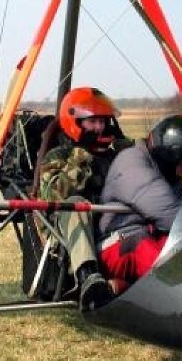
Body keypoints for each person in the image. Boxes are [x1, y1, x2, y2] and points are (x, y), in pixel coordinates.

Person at [37, 87, 132, 310]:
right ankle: (88, 276)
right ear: (76, 123)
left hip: (111, 226)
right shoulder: (58, 155)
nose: (99, 127)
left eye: (103, 121)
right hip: (68, 231)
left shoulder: (113, 155)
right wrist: (81, 155)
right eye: (93, 122)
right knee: (76, 203)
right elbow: (55, 195)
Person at [96, 114, 182, 284]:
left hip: (148, 235)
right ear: (168, 157)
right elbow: (172, 216)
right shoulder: (132, 162)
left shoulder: (166, 172)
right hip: (116, 243)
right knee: (145, 248)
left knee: (177, 247)